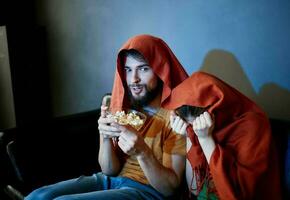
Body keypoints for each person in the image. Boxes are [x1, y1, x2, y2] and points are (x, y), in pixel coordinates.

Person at [25, 34, 188, 200]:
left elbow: (169, 189)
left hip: (145, 191)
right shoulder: (123, 106)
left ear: (161, 70)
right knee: (38, 196)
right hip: (109, 180)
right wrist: (104, 136)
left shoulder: (176, 117)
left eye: (143, 69)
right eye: (128, 70)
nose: (134, 79)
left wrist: (143, 152)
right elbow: (109, 170)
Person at [164, 71, 281, 200]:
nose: (196, 128)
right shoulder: (196, 128)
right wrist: (189, 135)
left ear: (219, 108)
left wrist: (206, 139)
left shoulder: (253, 126)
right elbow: (196, 189)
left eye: (197, 124)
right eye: (191, 125)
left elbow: (234, 195)